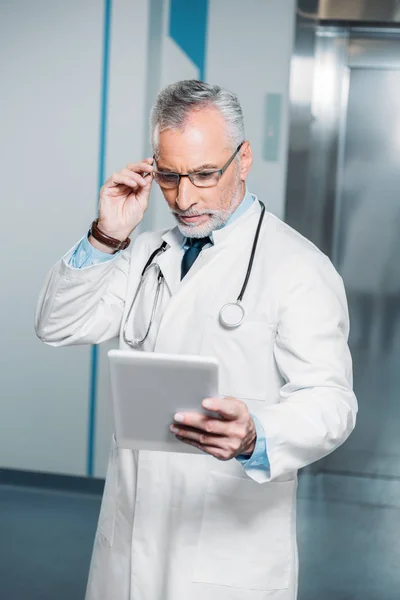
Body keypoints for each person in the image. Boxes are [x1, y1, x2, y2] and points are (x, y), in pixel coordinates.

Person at [35, 79, 357, 600]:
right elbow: (58, 325)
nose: (184, 198)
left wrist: (257, 434)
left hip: (227, 554)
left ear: (244, 159)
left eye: (205, 175)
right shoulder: (142, 254)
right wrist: (106, 235)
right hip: (130, 541)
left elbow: (333, 403)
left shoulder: (299, 267)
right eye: (168, 176)